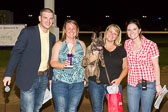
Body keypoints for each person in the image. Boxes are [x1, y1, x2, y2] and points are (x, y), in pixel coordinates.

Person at [3, 8, 56, 112]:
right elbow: (16, 53)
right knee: (28, 110)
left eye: (50, 18)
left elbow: (50, 59)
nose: (48, 21)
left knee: (36, 108)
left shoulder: (52, 37)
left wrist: (51, 78)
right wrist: (8, 74)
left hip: (44, 78)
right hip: (28, 77)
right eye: (45, 17)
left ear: (53, 20)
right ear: (39, 18)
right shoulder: (27, 32)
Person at [124, 19, 162, 112]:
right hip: (132, 84)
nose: (131, 32)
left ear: (139, 30)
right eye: (129, 30)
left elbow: (156, 66)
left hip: (148, 84)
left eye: (134, 29)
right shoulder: (127, 44)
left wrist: (158, 84)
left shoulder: (151, 45)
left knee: (146, 110)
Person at [88, 24, 128, 112]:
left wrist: (119, 79)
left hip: (114, 85)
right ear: (106, 32)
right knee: (97, 109)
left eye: (115, 33)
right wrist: (93, 56)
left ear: (117, 36)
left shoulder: (121, 50)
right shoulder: (97, 45)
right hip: (96, 84)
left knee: (115, 110)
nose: (112, 34)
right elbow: (89, 61)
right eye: (110, 31)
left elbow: (125, 67)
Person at [50, 20, 86, 112]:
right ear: (65, 30)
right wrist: (62, 65)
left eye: (74, 28)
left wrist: (85, 77)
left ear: (77, 30)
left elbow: (84, 63)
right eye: (69, 28)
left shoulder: (81, 44)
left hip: (78, 82)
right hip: (60, 82)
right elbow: (53, 62)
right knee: (61, 109)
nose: (71, 30)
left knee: (72, 109)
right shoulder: (59, 44)